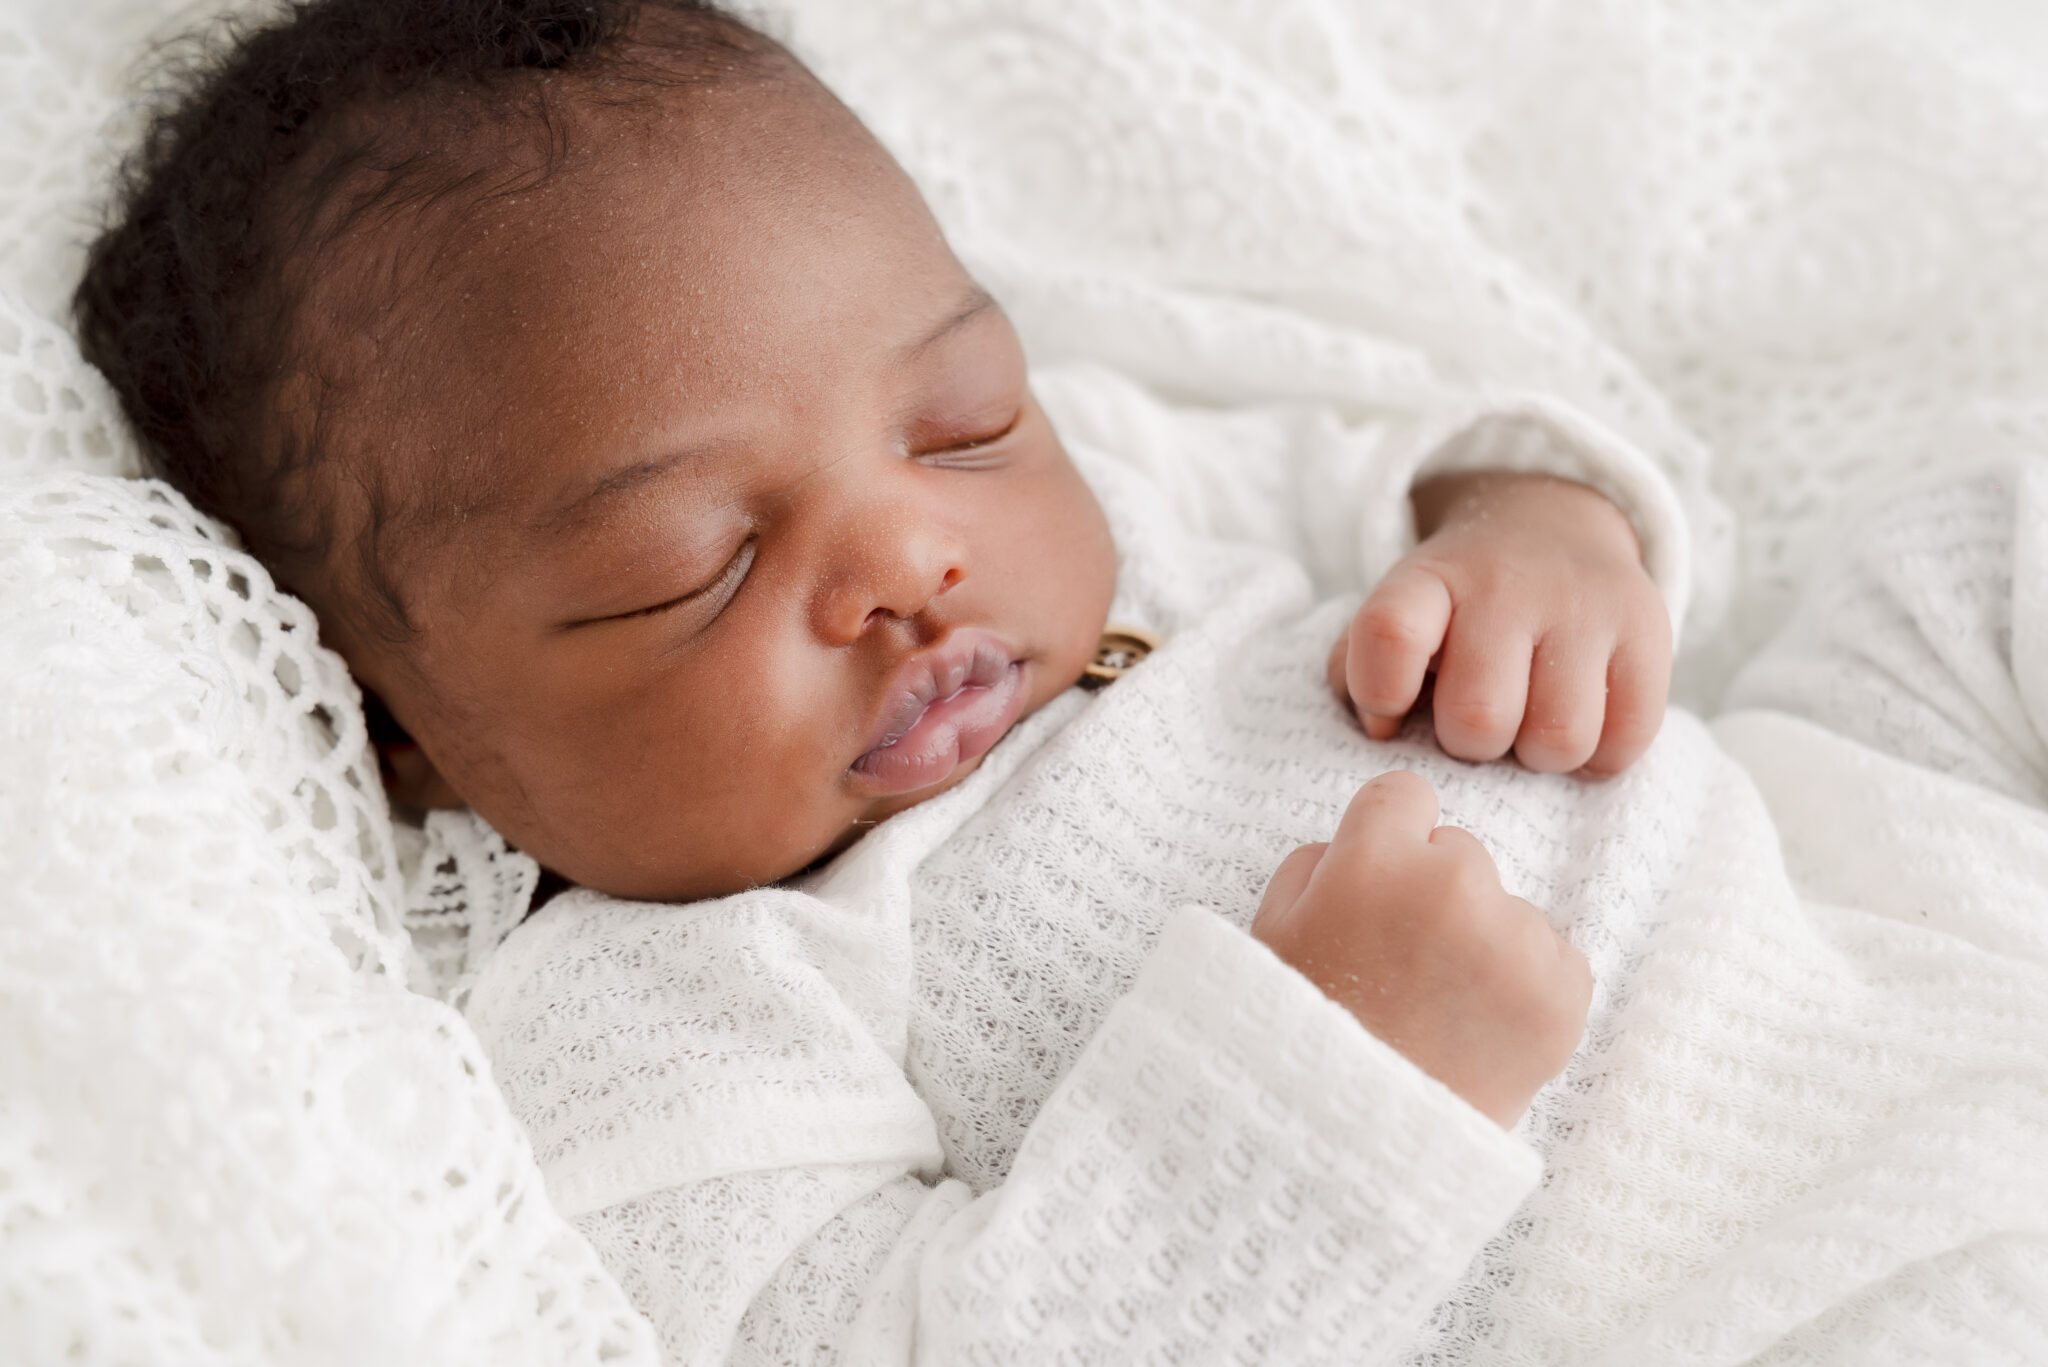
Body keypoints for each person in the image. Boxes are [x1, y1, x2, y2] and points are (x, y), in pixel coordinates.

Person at [83, 2, 2046, 1364]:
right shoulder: (659, 1023)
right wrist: (1332, 1086)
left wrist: (1535, 537)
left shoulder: (1124, 491)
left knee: (1986, 548)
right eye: (692, 565)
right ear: (408, 738)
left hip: (1875, 880)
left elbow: (1403, 450)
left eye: (959, 418)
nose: (909, 556)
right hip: (1761, 1280)